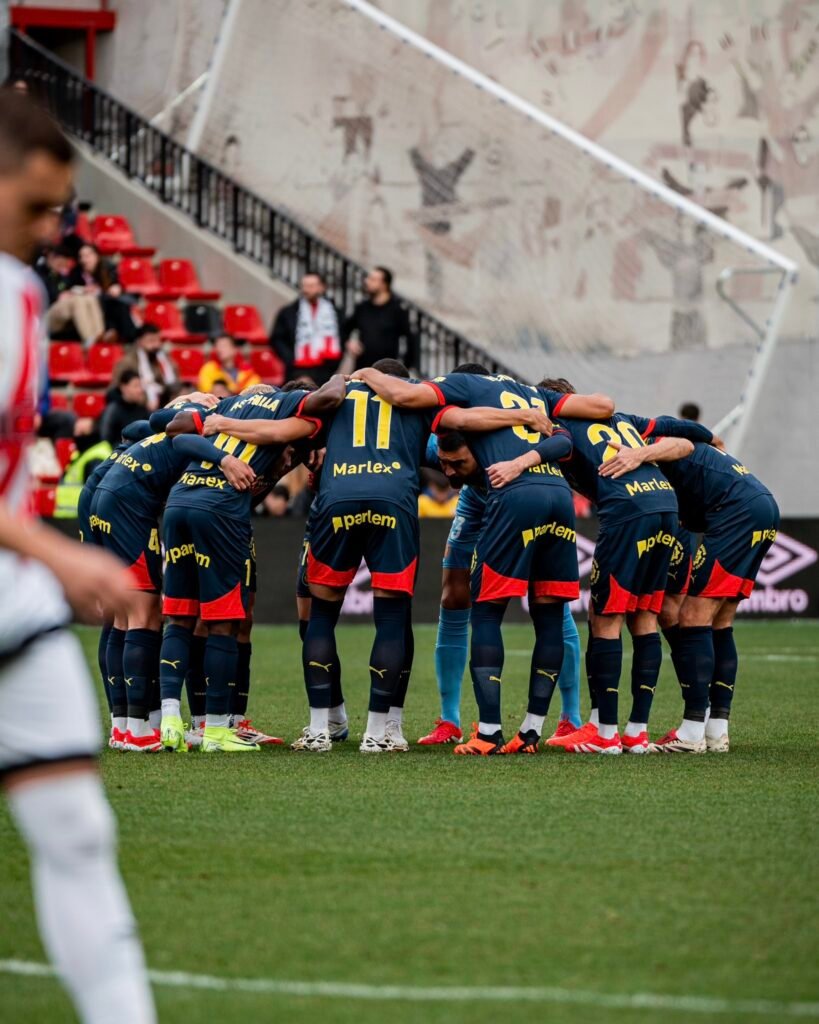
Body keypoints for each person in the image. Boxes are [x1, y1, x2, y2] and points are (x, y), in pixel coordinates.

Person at [0, 88, 156, 1024]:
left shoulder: (23, 287)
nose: (55, 227)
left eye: (63, 208)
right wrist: (61, 555)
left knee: (78, 833)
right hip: (30, 572)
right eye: (36, 206)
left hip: (13, 605)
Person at [352, 366, 581, 755]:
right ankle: (449, 719)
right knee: (454, 596)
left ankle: (571, 717)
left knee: (548, 606)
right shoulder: (444, 437)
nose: (447, 470)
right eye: (444, 463)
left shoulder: (498, 432)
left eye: (457, 463)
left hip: (512, 494)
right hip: (477, 504)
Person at [158, 378, 346, 753]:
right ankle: (215, 730)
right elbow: (330, 397)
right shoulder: (287, 406)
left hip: (178, 503)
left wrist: (197, 407)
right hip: (220, 510)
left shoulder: (226, 407)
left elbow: (174, 431)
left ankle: (170, 722)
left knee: (180, 617)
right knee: (225, 620)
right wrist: (348, 375)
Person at [603, 431, 779, 753]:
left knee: (692, 614)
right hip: (763, 507)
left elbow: (680, 444)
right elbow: (716, 444)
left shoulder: (655, 441)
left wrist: (641, 453)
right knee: (720, 621)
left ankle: (692, 731)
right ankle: (716, 731)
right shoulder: (696, 461)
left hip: (737, 515)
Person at [90, 392, 223, 751]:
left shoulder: (176, 418)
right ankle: (135, 729)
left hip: (108, 496)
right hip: (128, 506)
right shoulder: (204, 419)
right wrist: (225, 458)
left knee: (121, 616)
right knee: (145, 613)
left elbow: (141, 426)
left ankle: (123, 727)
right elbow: (177, 434)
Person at [342, 266, 419, 373]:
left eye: (373, 279)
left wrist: (404, 367)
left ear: (384, 284)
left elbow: (411, 340)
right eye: (368, 278)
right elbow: (345, 328)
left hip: (388, 371)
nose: (366, 282)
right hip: (362, 368)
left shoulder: (398, 310)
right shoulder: (362, 307)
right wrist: (349, 342)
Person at [269, 271, 342, 385]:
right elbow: (277, 339)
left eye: (311, 286)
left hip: (325, 370)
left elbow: (341, 338)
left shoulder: (334, 313)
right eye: (304, 286)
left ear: (322, 287)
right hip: (296, 369)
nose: (306, 290)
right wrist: (290, 359)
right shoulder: (289, 312)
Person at [68, 242, 139, 343]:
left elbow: (115, 286)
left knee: (118, 305)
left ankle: (127, 338)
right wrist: (85, 290)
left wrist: (112, 288)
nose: (85, 260)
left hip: (108, 302)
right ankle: (117, 336)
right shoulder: (76, 273)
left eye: (88, 255)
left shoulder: (108, 268)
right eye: (81, 256)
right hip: (89, 306)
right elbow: (71, 290)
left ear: (96, 256)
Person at [53, 418, 112, 518]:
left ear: (91, 433)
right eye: (75, 431)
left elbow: (97, 495)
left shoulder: (97, 457)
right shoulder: (80, 454)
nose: (76, 435)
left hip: (81, 520)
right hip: (68, 518)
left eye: (81, 432)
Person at [114, 323, 178, 409]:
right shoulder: (127, 362)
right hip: (136, 408)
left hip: (164, 403)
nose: (156, 345)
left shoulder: (163, 359)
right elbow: (118, 390)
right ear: (139, 342)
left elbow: (173, 382)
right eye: (151, 341)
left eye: (158, 340)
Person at [196, 333, 261, 395]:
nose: (220, 349)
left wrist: (230, 392)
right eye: (218, 346)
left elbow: (254, 389)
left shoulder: (246, 370)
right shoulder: (209, 368)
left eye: (224, 346)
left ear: (234, 349)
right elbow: (205, 392)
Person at [98, 369, 150, 445]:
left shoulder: (142, 409)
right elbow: (105, 439)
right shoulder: (113, 410)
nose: (140, 390)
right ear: (124, 388)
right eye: (136, 386)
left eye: (140, 386)